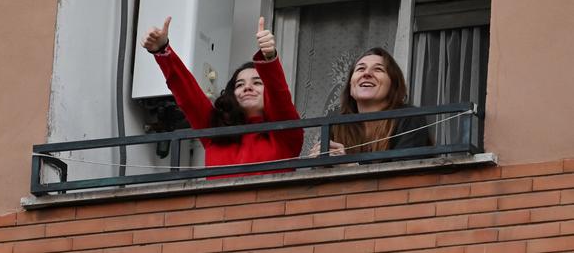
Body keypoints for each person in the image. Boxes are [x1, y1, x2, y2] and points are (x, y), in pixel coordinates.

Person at [141, 16, 303, 178]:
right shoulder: (216, 131)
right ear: (232, 95)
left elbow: (279, 93)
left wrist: (269, 57)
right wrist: (162, 50)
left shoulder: (286, 134)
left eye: (257, 82)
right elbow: (188, 95)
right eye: (239, 85)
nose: (247, 87)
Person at [311, 47, 430, 157]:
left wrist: (347, 166)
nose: (366, 74)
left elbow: (405, 175)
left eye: (378, 69)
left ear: (393, 85)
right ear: (350, 87)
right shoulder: (335, 123)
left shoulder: (410, 118)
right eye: (360, 68)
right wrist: (319, 164)